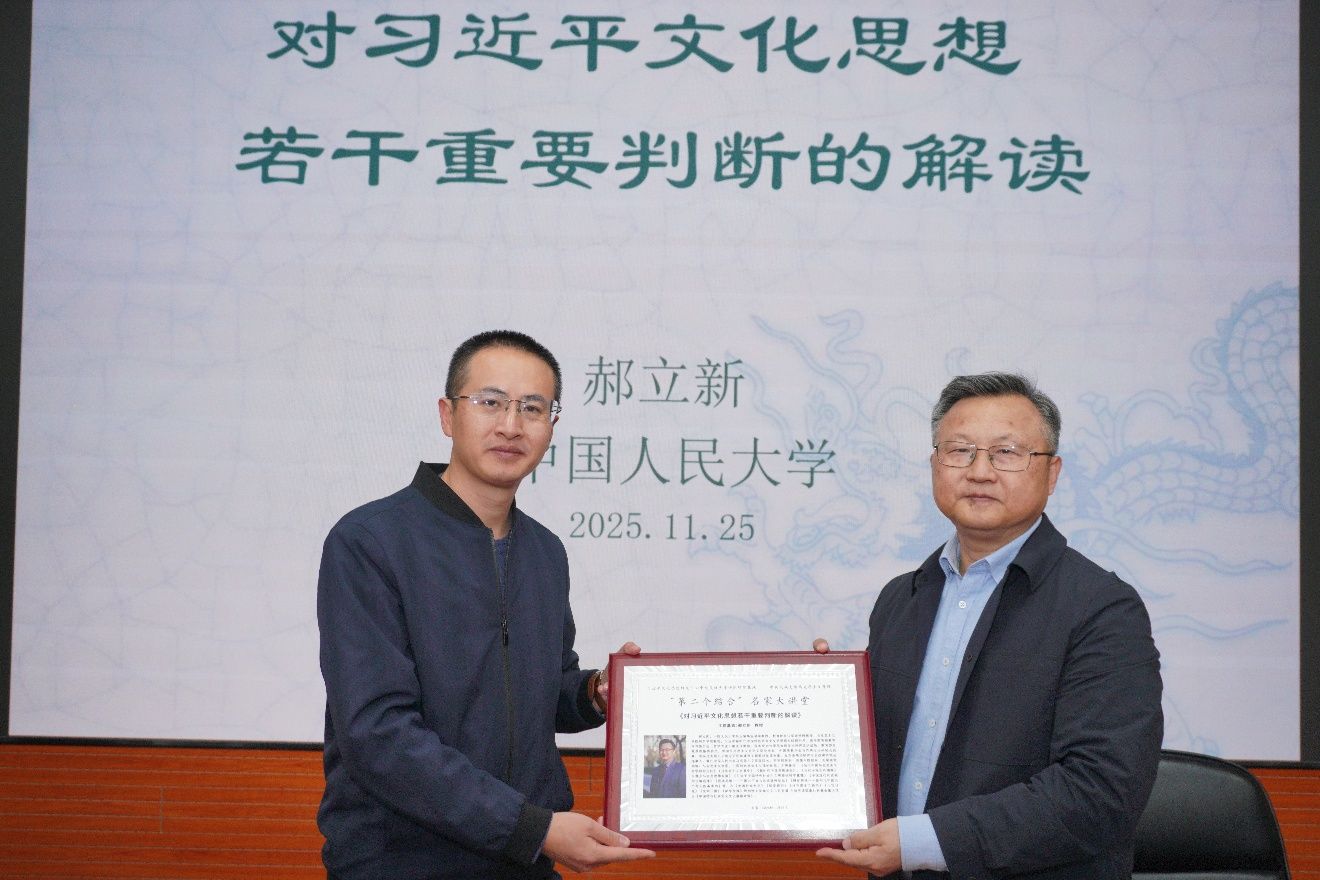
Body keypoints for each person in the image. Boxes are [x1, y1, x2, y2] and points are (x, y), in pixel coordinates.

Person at [316, 330, 655, 880]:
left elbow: (539, 693)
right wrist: (532, 829)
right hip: (402, 864)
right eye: (490, 402)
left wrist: (593, 693)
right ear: (447, 415)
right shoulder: (370, 541)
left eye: (533, 408)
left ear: (552, 426)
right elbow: (376, 732)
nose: (511, 425)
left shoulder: (545, 551)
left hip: (523, 862)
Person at [816, 372, 1163, 879]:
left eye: (1006, 453)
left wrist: (923, 842)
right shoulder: (900, 600)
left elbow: (1101, 791)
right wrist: (821, 700)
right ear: (935, 465)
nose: (980, 471)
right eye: (960, 451)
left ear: (1052, 472)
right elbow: (878, 755)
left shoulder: (1102, 609)